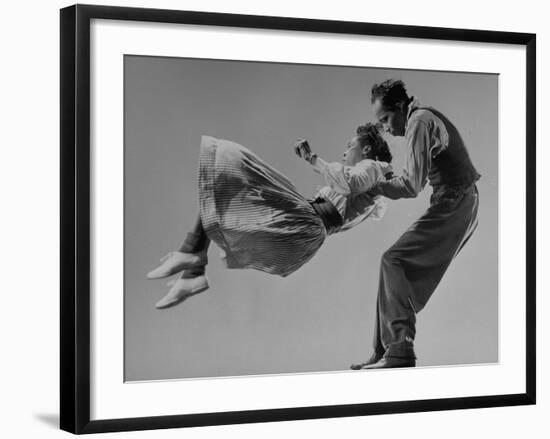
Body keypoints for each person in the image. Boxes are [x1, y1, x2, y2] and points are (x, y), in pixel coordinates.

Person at [147, 123, 393, 309]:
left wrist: (312, 158)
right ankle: (192, 269)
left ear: (367, 149)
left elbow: (349, 183)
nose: (345, 151)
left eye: (350, 146)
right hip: (306, 229)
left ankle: (191, 257)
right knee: (226, 192)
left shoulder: (371, 167)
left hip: (307, 220)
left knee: (232, 165)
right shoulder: (373, 188)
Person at [350, 79, 481, 370]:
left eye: (385, 119)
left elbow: (410, 185)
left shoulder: (419, 121)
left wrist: (374, 185)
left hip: (457, 201)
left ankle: (399, 351)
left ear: (399, 107)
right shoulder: (419, 120)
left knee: (393, 260)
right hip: (455, 201)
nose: (385, 128)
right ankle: (384, 349)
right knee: (392, 266)